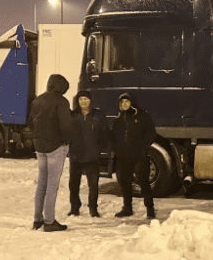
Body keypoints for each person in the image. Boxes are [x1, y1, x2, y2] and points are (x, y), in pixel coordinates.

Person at [29, 74, 72, 232]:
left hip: (40, 148)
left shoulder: (37, 100)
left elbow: (30, 123)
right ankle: (49, 221)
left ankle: (37, 219)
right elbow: (66, 126)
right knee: (52, 186)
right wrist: (67, 141)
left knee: (41, 184)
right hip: (55, 148)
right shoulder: (61, 102)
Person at [111, 92, 157, 220]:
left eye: (127, 102)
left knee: (143, 183)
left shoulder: (142, 116)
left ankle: (150, 209)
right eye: (122, 102)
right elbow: (113, 137)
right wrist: (115, 149)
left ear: (132, 103)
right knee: (124, 183)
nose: (124, 104)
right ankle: (127, 208)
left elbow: (151, 133)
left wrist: (143, 148)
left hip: (139, 157)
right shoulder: (118, 120)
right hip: (123, 157)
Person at [67, 90, 110, 218]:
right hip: (76, 155)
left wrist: (102, 149)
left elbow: (105, 133)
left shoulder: (98, 115)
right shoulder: (72, 115)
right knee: (74, 184)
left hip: (92, 156)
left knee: (93, 185)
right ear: (77, 101)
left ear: (90, 100)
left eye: (86, 99)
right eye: (81, 99)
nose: (83, 102)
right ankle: (74, 208)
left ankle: (93, 208)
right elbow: (66, 132)